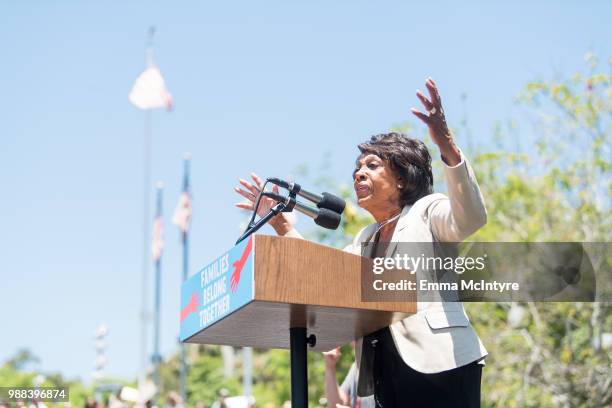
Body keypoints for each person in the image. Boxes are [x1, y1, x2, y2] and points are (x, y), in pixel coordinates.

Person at [235, 77, 488, 407]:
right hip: (384, 372)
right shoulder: (366, 238)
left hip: (440, 365)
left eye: (372, 165)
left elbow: (469, 218)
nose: (358, 174)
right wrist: (283, 225)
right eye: (357, 168)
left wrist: (448, 146)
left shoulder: (426, 211)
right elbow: (321, 274)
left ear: (401, 178)